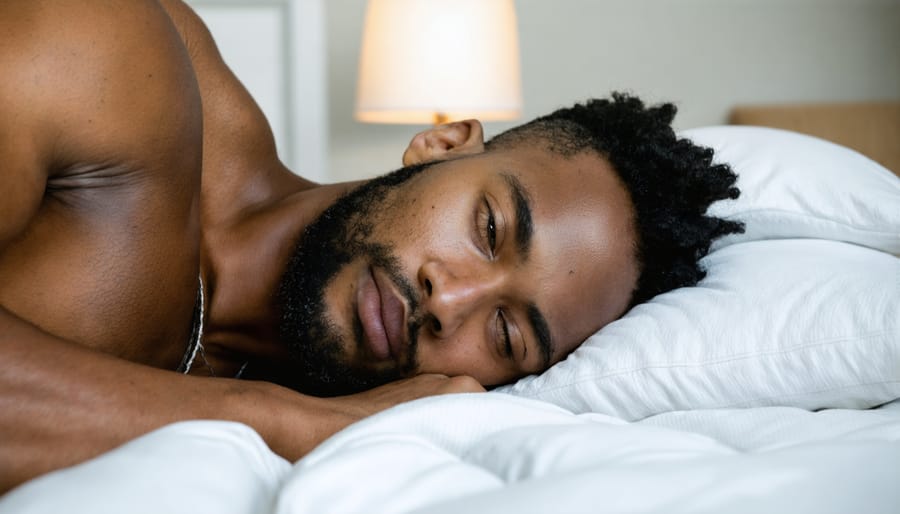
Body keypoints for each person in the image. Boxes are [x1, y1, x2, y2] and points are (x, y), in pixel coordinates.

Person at [0, 0, 743, 492]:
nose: (449, 301)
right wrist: (289, 423)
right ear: (441, 143)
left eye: (508, 332)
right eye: (488, 229)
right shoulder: (111, 62)